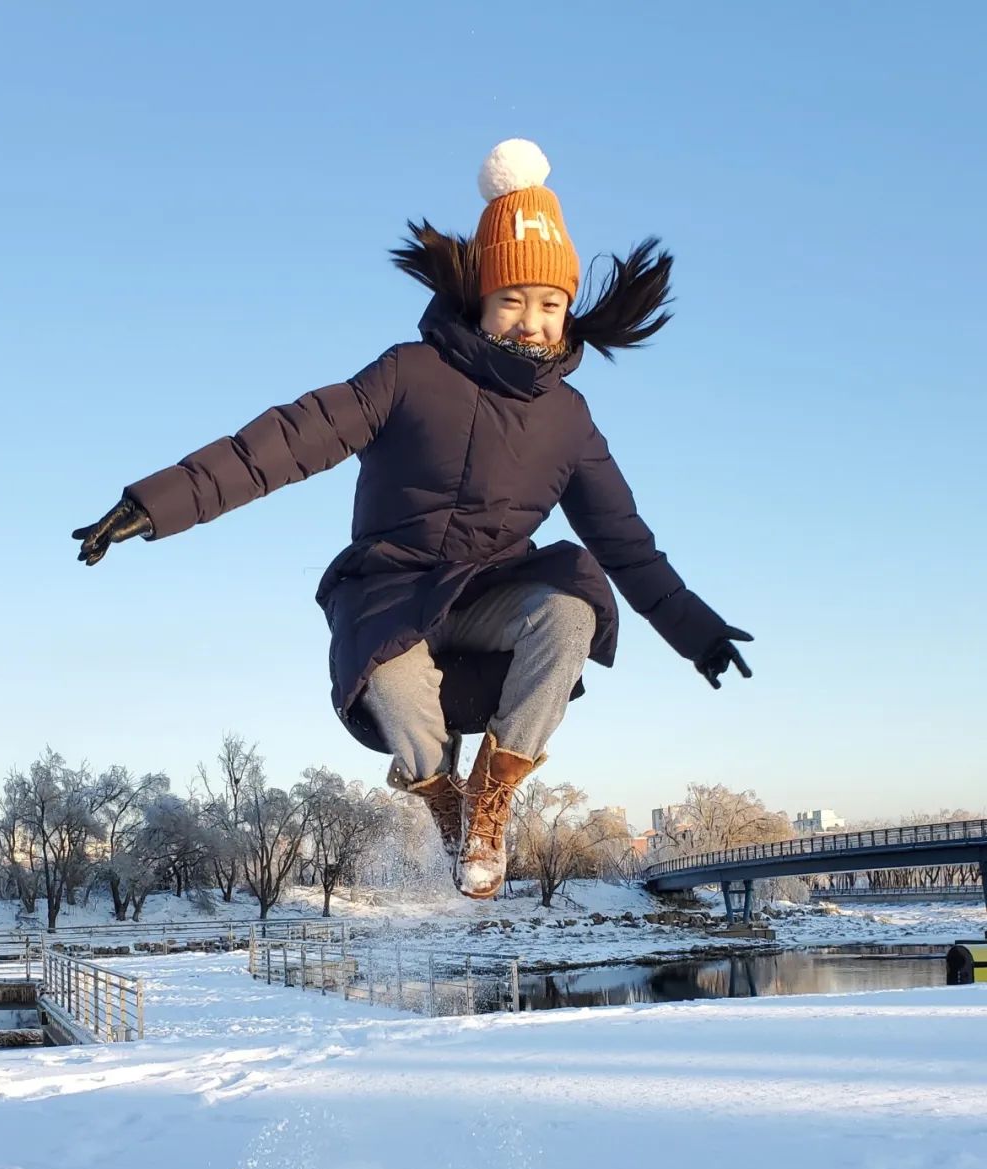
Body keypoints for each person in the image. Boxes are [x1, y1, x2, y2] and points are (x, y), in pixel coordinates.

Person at [73, 140, 752, 900]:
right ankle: (444, 803)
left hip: (494, 601)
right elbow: (285, 442)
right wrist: (153, 504)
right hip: (394, 593)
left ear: (568, 312)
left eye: (551, 304)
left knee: (570, 612)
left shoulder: (568, 420)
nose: (533, 323)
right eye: (514, 301)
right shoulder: (408, 373)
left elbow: (625, 542)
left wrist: (696, 630)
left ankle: (493, 798)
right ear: (481, 300)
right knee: (389, 674)